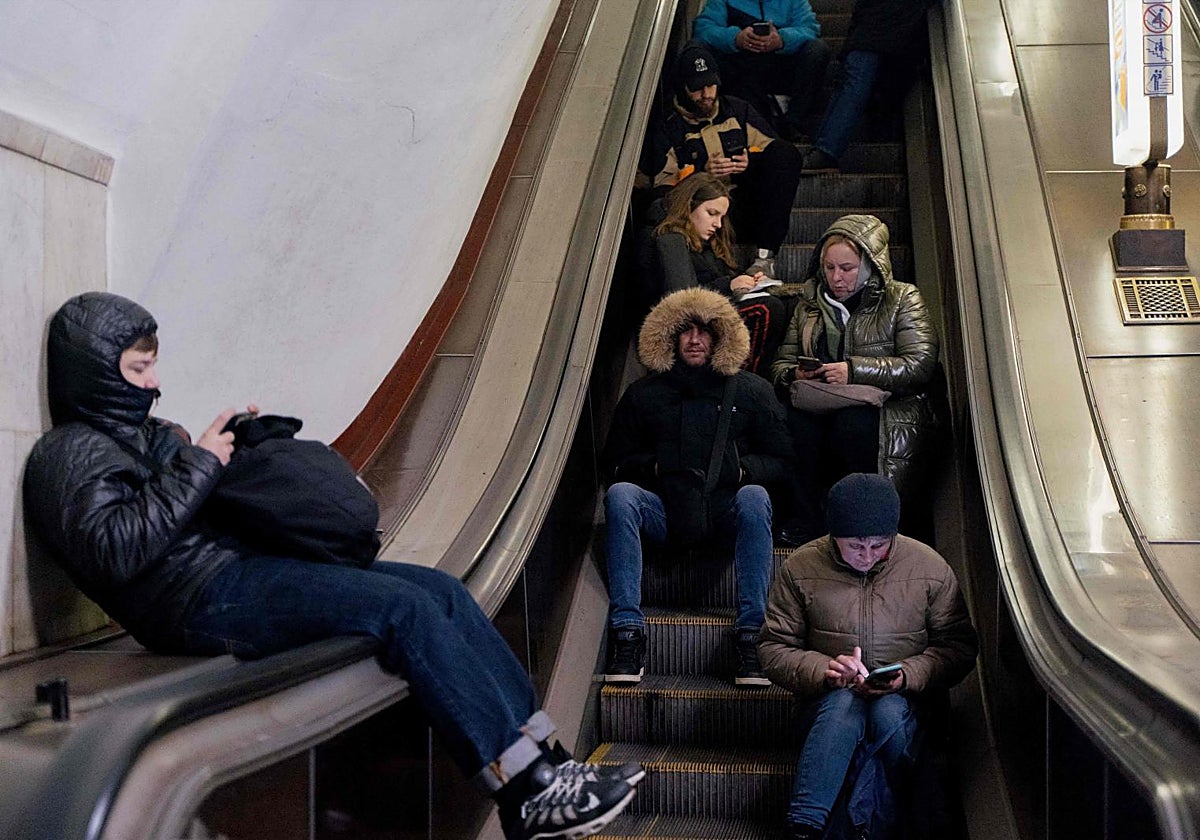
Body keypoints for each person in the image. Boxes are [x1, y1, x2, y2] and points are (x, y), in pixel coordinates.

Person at [22, 292, 640, 840]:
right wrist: (198, 464)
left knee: (441, 590)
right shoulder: (68, 453)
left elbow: (187, 502)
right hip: (198, 598)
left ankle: (548, 762)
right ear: (97, 374)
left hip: (237, 567)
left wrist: (238, 448)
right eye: (138, 368)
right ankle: (523, 791)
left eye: (153, 363)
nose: (154, 381)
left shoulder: (148, 433)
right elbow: (113, 550)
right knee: (401, 609)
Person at [758, 473, 977, 839]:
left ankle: (821, 823)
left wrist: (907, 674)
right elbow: (772, 648)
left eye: (879, 546)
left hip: (909, 700)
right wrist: (824, 669)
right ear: (833, 538)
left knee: (887, 710)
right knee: (846, 703)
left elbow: (958, 646)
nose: (868, 555)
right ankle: (807, 825)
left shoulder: (929, 568)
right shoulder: (801, 567)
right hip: (827, 703)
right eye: (856, 546)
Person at [601, 287, 793, 687]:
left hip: (725, 511)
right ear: (669, 337)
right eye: (685, 330)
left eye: (704, 330)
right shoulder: (644, 395)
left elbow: (784, 460)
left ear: (720, 336)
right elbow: (614, 462)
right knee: (621, 496)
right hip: (666, 510)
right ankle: (627, 633)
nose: (694, 339)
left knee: (756, 496)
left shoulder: (752, 391)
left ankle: (751, 634)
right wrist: (654, 467)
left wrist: (742, 471)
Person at [769, 214, 937, 544]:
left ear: (871, 264)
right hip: (820, 400)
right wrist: (793, 374)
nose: (836, 277)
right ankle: (808, 521)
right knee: (791, 426)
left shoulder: (903, 298)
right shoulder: (810, 305)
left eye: (846, 268)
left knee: (852, 427)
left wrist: (854, 370)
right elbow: (780, 364)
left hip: (886, 403)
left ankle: (857, 524)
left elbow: (920, 365)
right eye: (829, 268)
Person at [645, 40, 803, 282]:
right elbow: (661, 189)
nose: (706, 95)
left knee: (785, 154)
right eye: (697, 88)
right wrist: (702, 173)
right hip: (703, 214)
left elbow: (776, 151)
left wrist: (748, 162)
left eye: (711, 86)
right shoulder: (670, 127)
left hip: (744, 203)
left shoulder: (737, 110)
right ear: (683, 88)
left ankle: (765, 257)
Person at [645, 172, 787, 376]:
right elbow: (682, 299)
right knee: (768, 309)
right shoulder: (671, 239)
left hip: (711, 309)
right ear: (689, 206)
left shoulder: (707, 242)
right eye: (711, 213)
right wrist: (729, 285)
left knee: (786, 302)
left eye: (721, 217)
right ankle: (742, 380)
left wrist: (747, 281)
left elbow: (714, 277)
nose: (718, 224)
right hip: (687, 321)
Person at [802, 0, 938, 173]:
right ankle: (827, 149)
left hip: (881, 33)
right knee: (855, 82)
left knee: (854, 82)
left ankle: (827, 150)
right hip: (886, 34)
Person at [692, 0, 832, 141]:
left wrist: (782, 40)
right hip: (741, 65)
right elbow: (703, 28)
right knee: (699, 48)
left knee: (817, 49)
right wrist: (735, 38)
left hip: (781, 65)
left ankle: (795, 123)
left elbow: (810, 28)